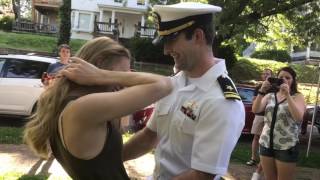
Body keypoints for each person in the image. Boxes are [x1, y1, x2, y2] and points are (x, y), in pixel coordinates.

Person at [123, 2, 245, 179]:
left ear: (197, 36)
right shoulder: (175, 83)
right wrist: (109, 161)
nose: (166, 51)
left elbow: (202, 175)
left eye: (171, 40)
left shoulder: (222, 101)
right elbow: (149, 136)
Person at [23, 37, 173, 180]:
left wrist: (107, 76)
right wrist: (102, 75)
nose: (124, 82)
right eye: (120, 74)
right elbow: (165, 85)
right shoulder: (83, 108)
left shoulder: (67, 103)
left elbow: (106, 160)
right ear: (98, 66)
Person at [252, 67, 306, 180]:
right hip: (266, 144)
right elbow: (256, 110)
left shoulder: (298, 97)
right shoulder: (270, 96)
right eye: (281, 77)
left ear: (293, 80)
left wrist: (288, 95)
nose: (284, 79)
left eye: (288, 77)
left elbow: (298, 117)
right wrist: (261, 91)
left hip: (286, 146)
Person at [247, 69, 272, 179]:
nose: (266, 75)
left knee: (266, 140)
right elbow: (253, 101)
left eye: (268, 74)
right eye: (264, 73)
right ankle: (253, 158)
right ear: (262, 75)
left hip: (269, 117)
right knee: (256, 138)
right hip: (259, 115)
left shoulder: (274, 88)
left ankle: (263, 161)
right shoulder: (258, 87)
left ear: (271, 76)